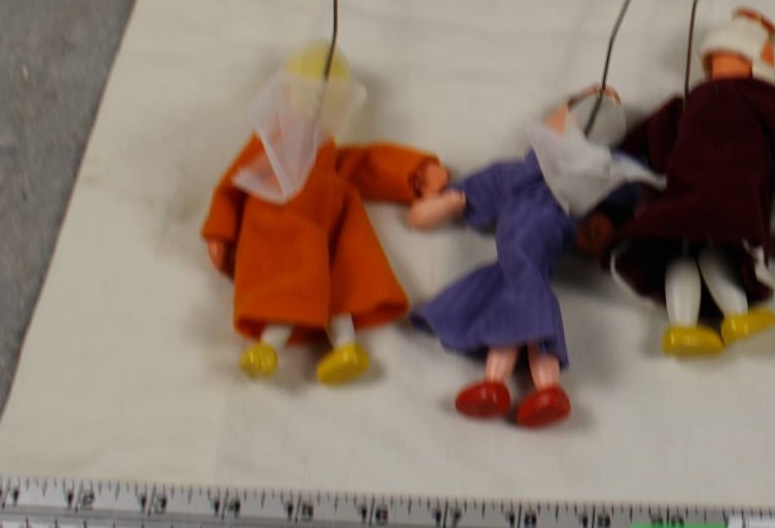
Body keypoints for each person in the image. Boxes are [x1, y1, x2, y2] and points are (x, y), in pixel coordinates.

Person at [407, 87, 660, 427]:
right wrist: (442, 201)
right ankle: (516, 388)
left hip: (532, 262)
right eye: (574, 119)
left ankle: (518, 386)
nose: (576, 133)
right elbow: (440, 208)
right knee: (517, 304)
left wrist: (602, 226)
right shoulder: (513, 174)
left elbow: (623, 210)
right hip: (513, 264)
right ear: (555, 120)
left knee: (523, 298)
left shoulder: (593, 182)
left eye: (596, 132)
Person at [201, 44, 447, 384]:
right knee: (287, 289)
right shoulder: (268, 142)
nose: (318, 106)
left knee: (339, 289)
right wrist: (220, 230)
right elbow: (232, 184)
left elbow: (362, 164)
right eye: (311, 95)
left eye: (328, 100)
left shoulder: (327, 151)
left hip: (328, 231)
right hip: (279, 227)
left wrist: (415, 172)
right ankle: (267, 347)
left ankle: (345, 349)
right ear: (288, 92)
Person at [602, 8, 775, 357]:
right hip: (720, 200)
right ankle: (722, 319)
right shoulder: (708, 99)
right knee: (710, 252)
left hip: (700, 199)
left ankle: (692, 325)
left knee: (689, 254)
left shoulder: (736, 97)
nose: (722, 62)